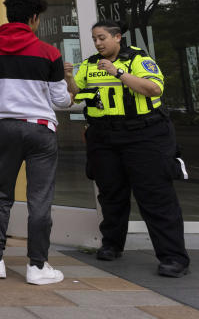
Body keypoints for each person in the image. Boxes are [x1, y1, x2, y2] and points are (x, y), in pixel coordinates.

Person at [65, 20, 190, 277]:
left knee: (155, 196)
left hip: (144, 135)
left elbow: (154, 88)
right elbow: (74, 97)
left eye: (102, 38)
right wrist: (68, 78)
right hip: (104, 136)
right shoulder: (89, 64)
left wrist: (118, 73)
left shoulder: (137, 60)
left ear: (117, 37)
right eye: (95, 39)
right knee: (111, 194)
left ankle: (173, 258)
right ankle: (112, 245)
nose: (98, 43)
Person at [0, 0, 72, 285]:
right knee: (39, 198)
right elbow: (61, 101)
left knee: (0, 195)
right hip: (42, 130)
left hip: (4, 129)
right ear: (33, 18)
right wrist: (68, 85)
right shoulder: (49, 52)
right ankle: (37, 267)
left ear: (9, 16)